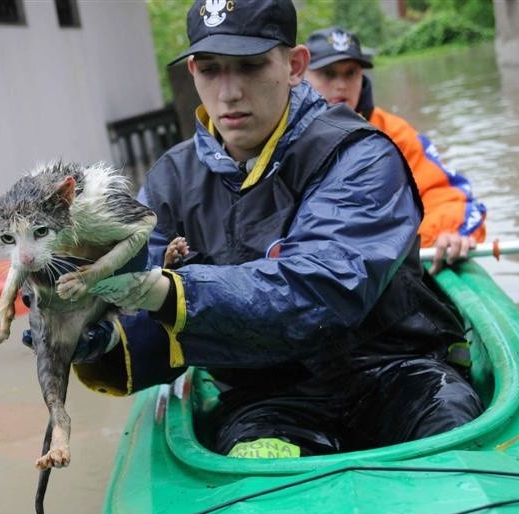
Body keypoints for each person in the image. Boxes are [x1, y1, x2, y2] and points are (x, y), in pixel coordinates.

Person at [50, 0, 484, 458]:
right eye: (211, 70)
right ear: (193, 70)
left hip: (397, 374)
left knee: (453, 440)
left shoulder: (361, 156)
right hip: (266, 399)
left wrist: (171, 292)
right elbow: (149, 324)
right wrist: (95, 336)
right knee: (254, 468)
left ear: (295, 65)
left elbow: (324, 288)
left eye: (251, 66)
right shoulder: (169, 181)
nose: (229, 92)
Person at [304, 27, 487, 274]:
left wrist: (446, 233)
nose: (341, 85)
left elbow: (440, 193)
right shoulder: (281, 135)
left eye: (351, 73)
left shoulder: (394, 133)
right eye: (328, 73)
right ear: (301, 74)